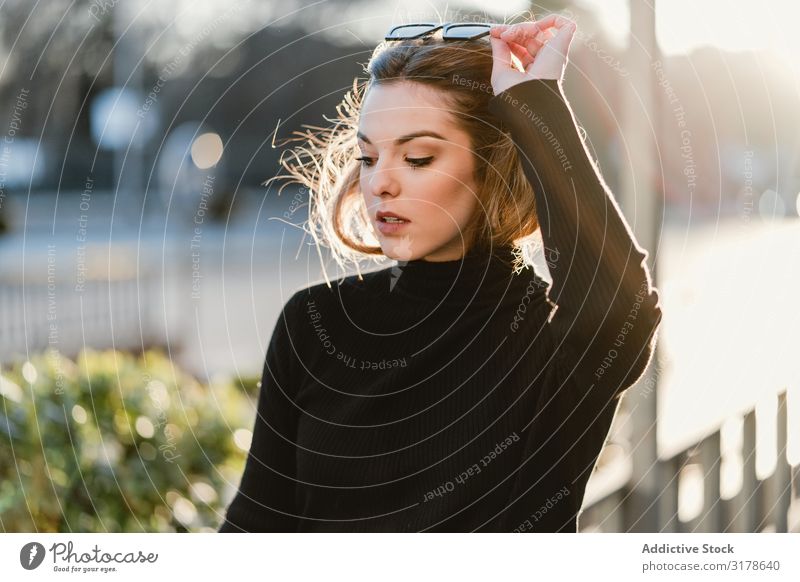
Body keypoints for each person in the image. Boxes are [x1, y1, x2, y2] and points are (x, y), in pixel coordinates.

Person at [218, 15, 663, 532]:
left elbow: (619, 308)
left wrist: (536, 106)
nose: (379, 182)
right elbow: (253, 526)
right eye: (367, 156)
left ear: (492, 162)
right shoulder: (312, 324)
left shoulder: (547, 342)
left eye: (418, 157)